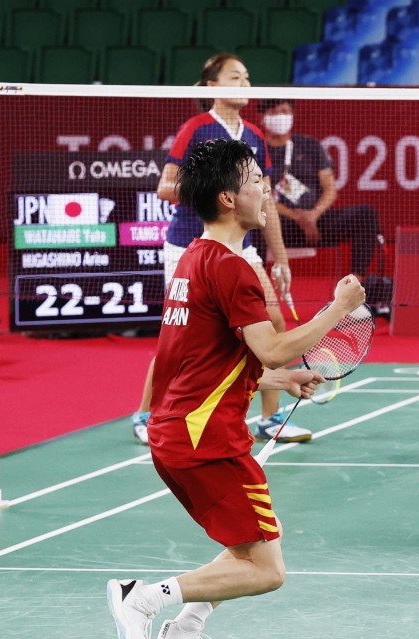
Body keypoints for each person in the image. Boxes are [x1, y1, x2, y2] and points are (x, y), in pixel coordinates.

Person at [107, 139, 366, 639]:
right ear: (227, 198)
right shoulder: (231, 268)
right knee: (267, 569)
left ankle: (187, 632)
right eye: (254, 180)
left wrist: (280, 376)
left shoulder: (194, 261)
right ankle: (144, 597)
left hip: (178, 432)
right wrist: (338, 307)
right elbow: (269, 343)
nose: (265, 188)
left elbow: (212, 356)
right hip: (205, 441)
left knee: (246, 544)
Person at [130, 53, 313, 446]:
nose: (246, 84)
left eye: (248, 77)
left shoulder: (255, 137)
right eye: (236, 77)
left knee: (274, 322)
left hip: (241, 246)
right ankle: (146, 412)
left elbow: (264, 200)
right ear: (212, 86)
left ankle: (269, 417)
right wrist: (215, 189)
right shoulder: (195, 129)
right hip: (190, 246)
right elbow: (165, 186)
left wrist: (279, 258)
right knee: (180, 336)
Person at [254, 98, 391, 313]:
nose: (281, 116)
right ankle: (258, 296)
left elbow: (330, 188)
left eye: (285, 111)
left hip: (316, 223)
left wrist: (313, 215)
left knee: (366, 214)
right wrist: (296, 216)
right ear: (263, 118)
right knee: (255, 222)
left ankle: (352, 295)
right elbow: (258, 192)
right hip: (278, 223)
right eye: (274, 112)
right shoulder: (257, 149)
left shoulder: (309, 145)